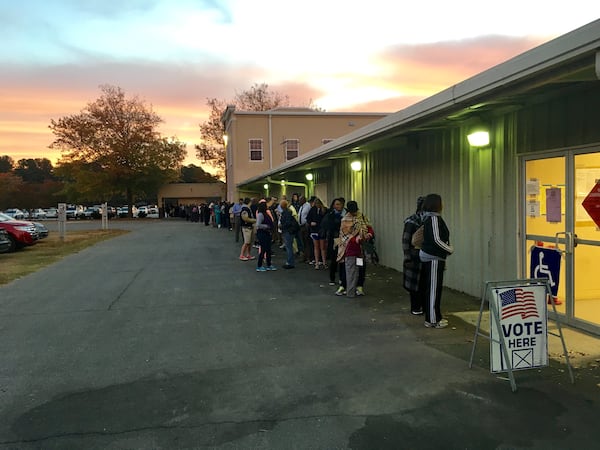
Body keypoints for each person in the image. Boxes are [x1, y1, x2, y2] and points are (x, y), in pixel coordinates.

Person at [418, 193, 453, 329]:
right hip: (433, 257)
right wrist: (449, 249)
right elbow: (436, 239)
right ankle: (432, 319)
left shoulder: (428, 218)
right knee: (433, 289)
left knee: (431, 288)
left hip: (430, 256)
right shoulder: (433, 219)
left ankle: (433, 316)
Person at [336, 201, 373, 298]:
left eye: (355, 211)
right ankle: (345, 286)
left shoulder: (362, 216)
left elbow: (369, 227)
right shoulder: (345, 220)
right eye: (353, 212)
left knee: (360, 267)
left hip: (360, 251)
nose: (355, 213)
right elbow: (345, 236)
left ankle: (359, 286)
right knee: (348, 269)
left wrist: (369, 234)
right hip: (349, 250)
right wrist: (355, 239)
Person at [403, 196, 425, 315]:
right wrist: (407, 257)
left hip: (424, 255)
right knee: (415, 284)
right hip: (415, 255)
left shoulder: (428, 220)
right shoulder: (412, 221)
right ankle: (416, 307)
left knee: (423, 283)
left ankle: (422, 306)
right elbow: (406, 240)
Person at [324, 198, 345, 286]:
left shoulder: (346, 214)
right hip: (334, 238)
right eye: (336, 204)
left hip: (344, 238)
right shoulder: (331, 214)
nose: (338, 206)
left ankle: (342, 278)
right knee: (334, 259)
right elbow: (328, 226)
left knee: (342, 259)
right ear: (333, 205)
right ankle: (332, 278)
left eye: (339, 204)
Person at [307, 198, 328, 269]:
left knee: (321, 247)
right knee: (318, 247)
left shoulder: (324, 210)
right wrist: (310, 223)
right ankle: (318, 263)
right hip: (315, 230)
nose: (317, 205)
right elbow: (308, 219)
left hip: (320, 230)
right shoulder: (313, 210)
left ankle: (322, 262)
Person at [255, 201, 277, 272]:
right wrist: (266, 226)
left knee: (268, 249)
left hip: (267, 233)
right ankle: (259, 265)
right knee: (263, 249)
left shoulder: (265, 214)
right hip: (262, 233)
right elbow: (258, 225)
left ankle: (269, 264)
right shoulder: (260, 214)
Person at [279, 199, 300, 269]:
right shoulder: (288, 211)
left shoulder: (286, 212)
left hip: (288, 231)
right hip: (290, 231)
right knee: (289, 247)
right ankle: (290, 261)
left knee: (289, 247)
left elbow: (287, 223)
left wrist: (282, 226)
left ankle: (290, 262)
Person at [297, 195, 314, 263]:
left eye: (300, 200)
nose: (299, 201)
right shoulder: (301, 207)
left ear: (304, 200)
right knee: (303, 242)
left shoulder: (308, 206)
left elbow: (309, 216)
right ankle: (304, 256)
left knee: (307, 242)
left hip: (306, 226)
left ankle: (309, 257)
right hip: (301, 226)